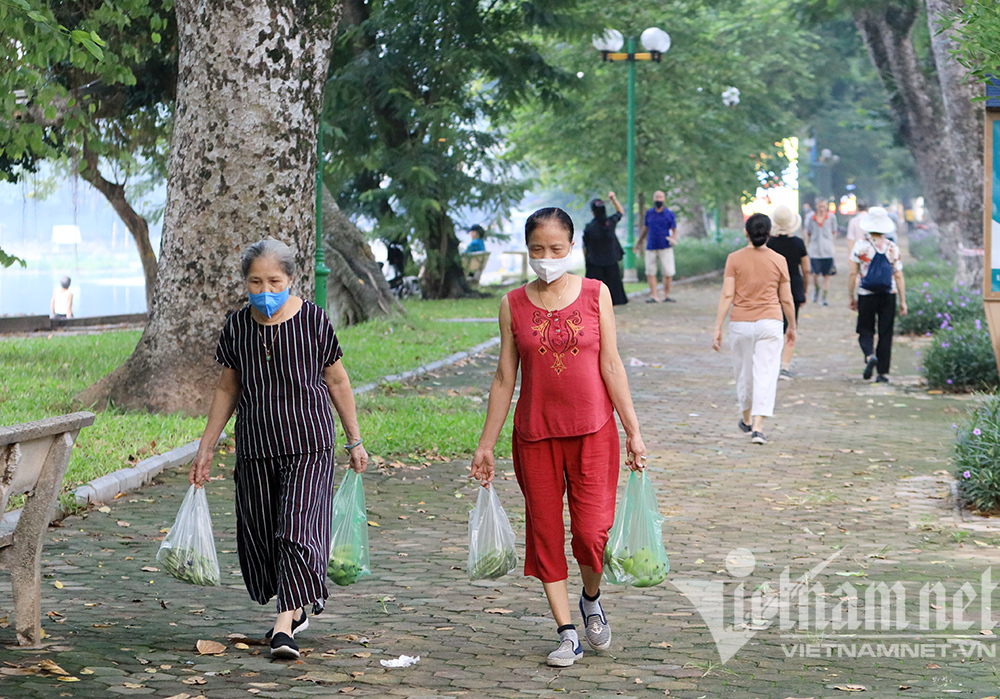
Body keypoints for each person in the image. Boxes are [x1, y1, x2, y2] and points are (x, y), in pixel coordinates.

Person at [470, 207, 646, 668]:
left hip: (594, 433)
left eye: (556, 249)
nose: (546, 257)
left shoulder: (596, 293)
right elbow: (505, 377)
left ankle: (591, 597)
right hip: (536, 437)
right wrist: (486, 444)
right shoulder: (512, 303)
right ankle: (566, 632)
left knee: (591, 535)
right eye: (537, 250)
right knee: (545, 535)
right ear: (527, 250)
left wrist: (633, 430)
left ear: (572, 248)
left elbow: (611, 364)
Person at [189, 238, 369, 660]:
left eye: (274, 281)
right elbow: (227, 388)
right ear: (245, 283)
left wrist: (354, 439)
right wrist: (206, 448)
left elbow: (338, 382)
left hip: (309, 444)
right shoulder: (237, 326)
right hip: (256, 447)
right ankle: (295, 601)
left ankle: (283, 627)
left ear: (291, 279)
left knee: (297, 532)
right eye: (256, 282)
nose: (265, 290)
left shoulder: (313, 321)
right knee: (263, 539)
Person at [713, 213, 797, 445]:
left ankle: (746, 417)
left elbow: (728, 294)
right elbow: (787, 299)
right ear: (769, 233)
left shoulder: (734, 259)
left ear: (745, 232)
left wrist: (718, 327)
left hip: (741, 323)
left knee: (744, 372)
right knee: (767, 373)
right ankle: (758, 427)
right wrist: (792, 325)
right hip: (770, 322)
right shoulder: (779, 260)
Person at [848, 206, 907, 383]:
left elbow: (852, 273)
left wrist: (851, 296)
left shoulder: (861, 247)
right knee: (885, 332)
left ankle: (869, 355)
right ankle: (882, 373)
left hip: (866, 293)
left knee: (865, 329)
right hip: (889, 294)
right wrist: (903, 301)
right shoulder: (892, 247)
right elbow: (898, 274)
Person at [766, 205, 809, 380]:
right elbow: (806, 269)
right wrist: (805, 289)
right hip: (794, 287)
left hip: (772, 288)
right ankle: (784, 366)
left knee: (773, 326)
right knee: (791, 326)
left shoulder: (769, 244)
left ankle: (771, 363)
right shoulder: (798, 243)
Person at [583, 192, 628, 306]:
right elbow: (620, 212)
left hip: (595, 262)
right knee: (614, 286)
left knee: (595, 289)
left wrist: (586, 260)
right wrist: (614, 199)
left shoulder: (589, 228)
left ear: (592, 212)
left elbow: (585, 247)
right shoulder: (610, 223)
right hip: (611, 260)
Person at [635, 190, 678, 303]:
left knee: (668, 272)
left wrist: (674, 238)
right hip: (651, 246)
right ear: (654, 199)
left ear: (664, 199)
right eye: (657, 197)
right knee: (650, 272)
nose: (658, 199)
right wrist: (639, 243)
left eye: (661, 197)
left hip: (665, 246)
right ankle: (654, 295)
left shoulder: (669, 214)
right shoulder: (649, 213)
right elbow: (645, 228)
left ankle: (666, 295)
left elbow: (674, 229)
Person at [804, 199, 837, 306]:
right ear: (816, 206)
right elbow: (808, 233)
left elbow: (834, 232)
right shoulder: (810, 218)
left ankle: (824, 297)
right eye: (820, 206)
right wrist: (807, 248)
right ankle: (816, 291)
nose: (821, 209)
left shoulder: (831, 218)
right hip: (815, 250)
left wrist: (832, 246)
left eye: (823, 206)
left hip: (827, 250)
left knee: (827, 275)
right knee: (814, 274)